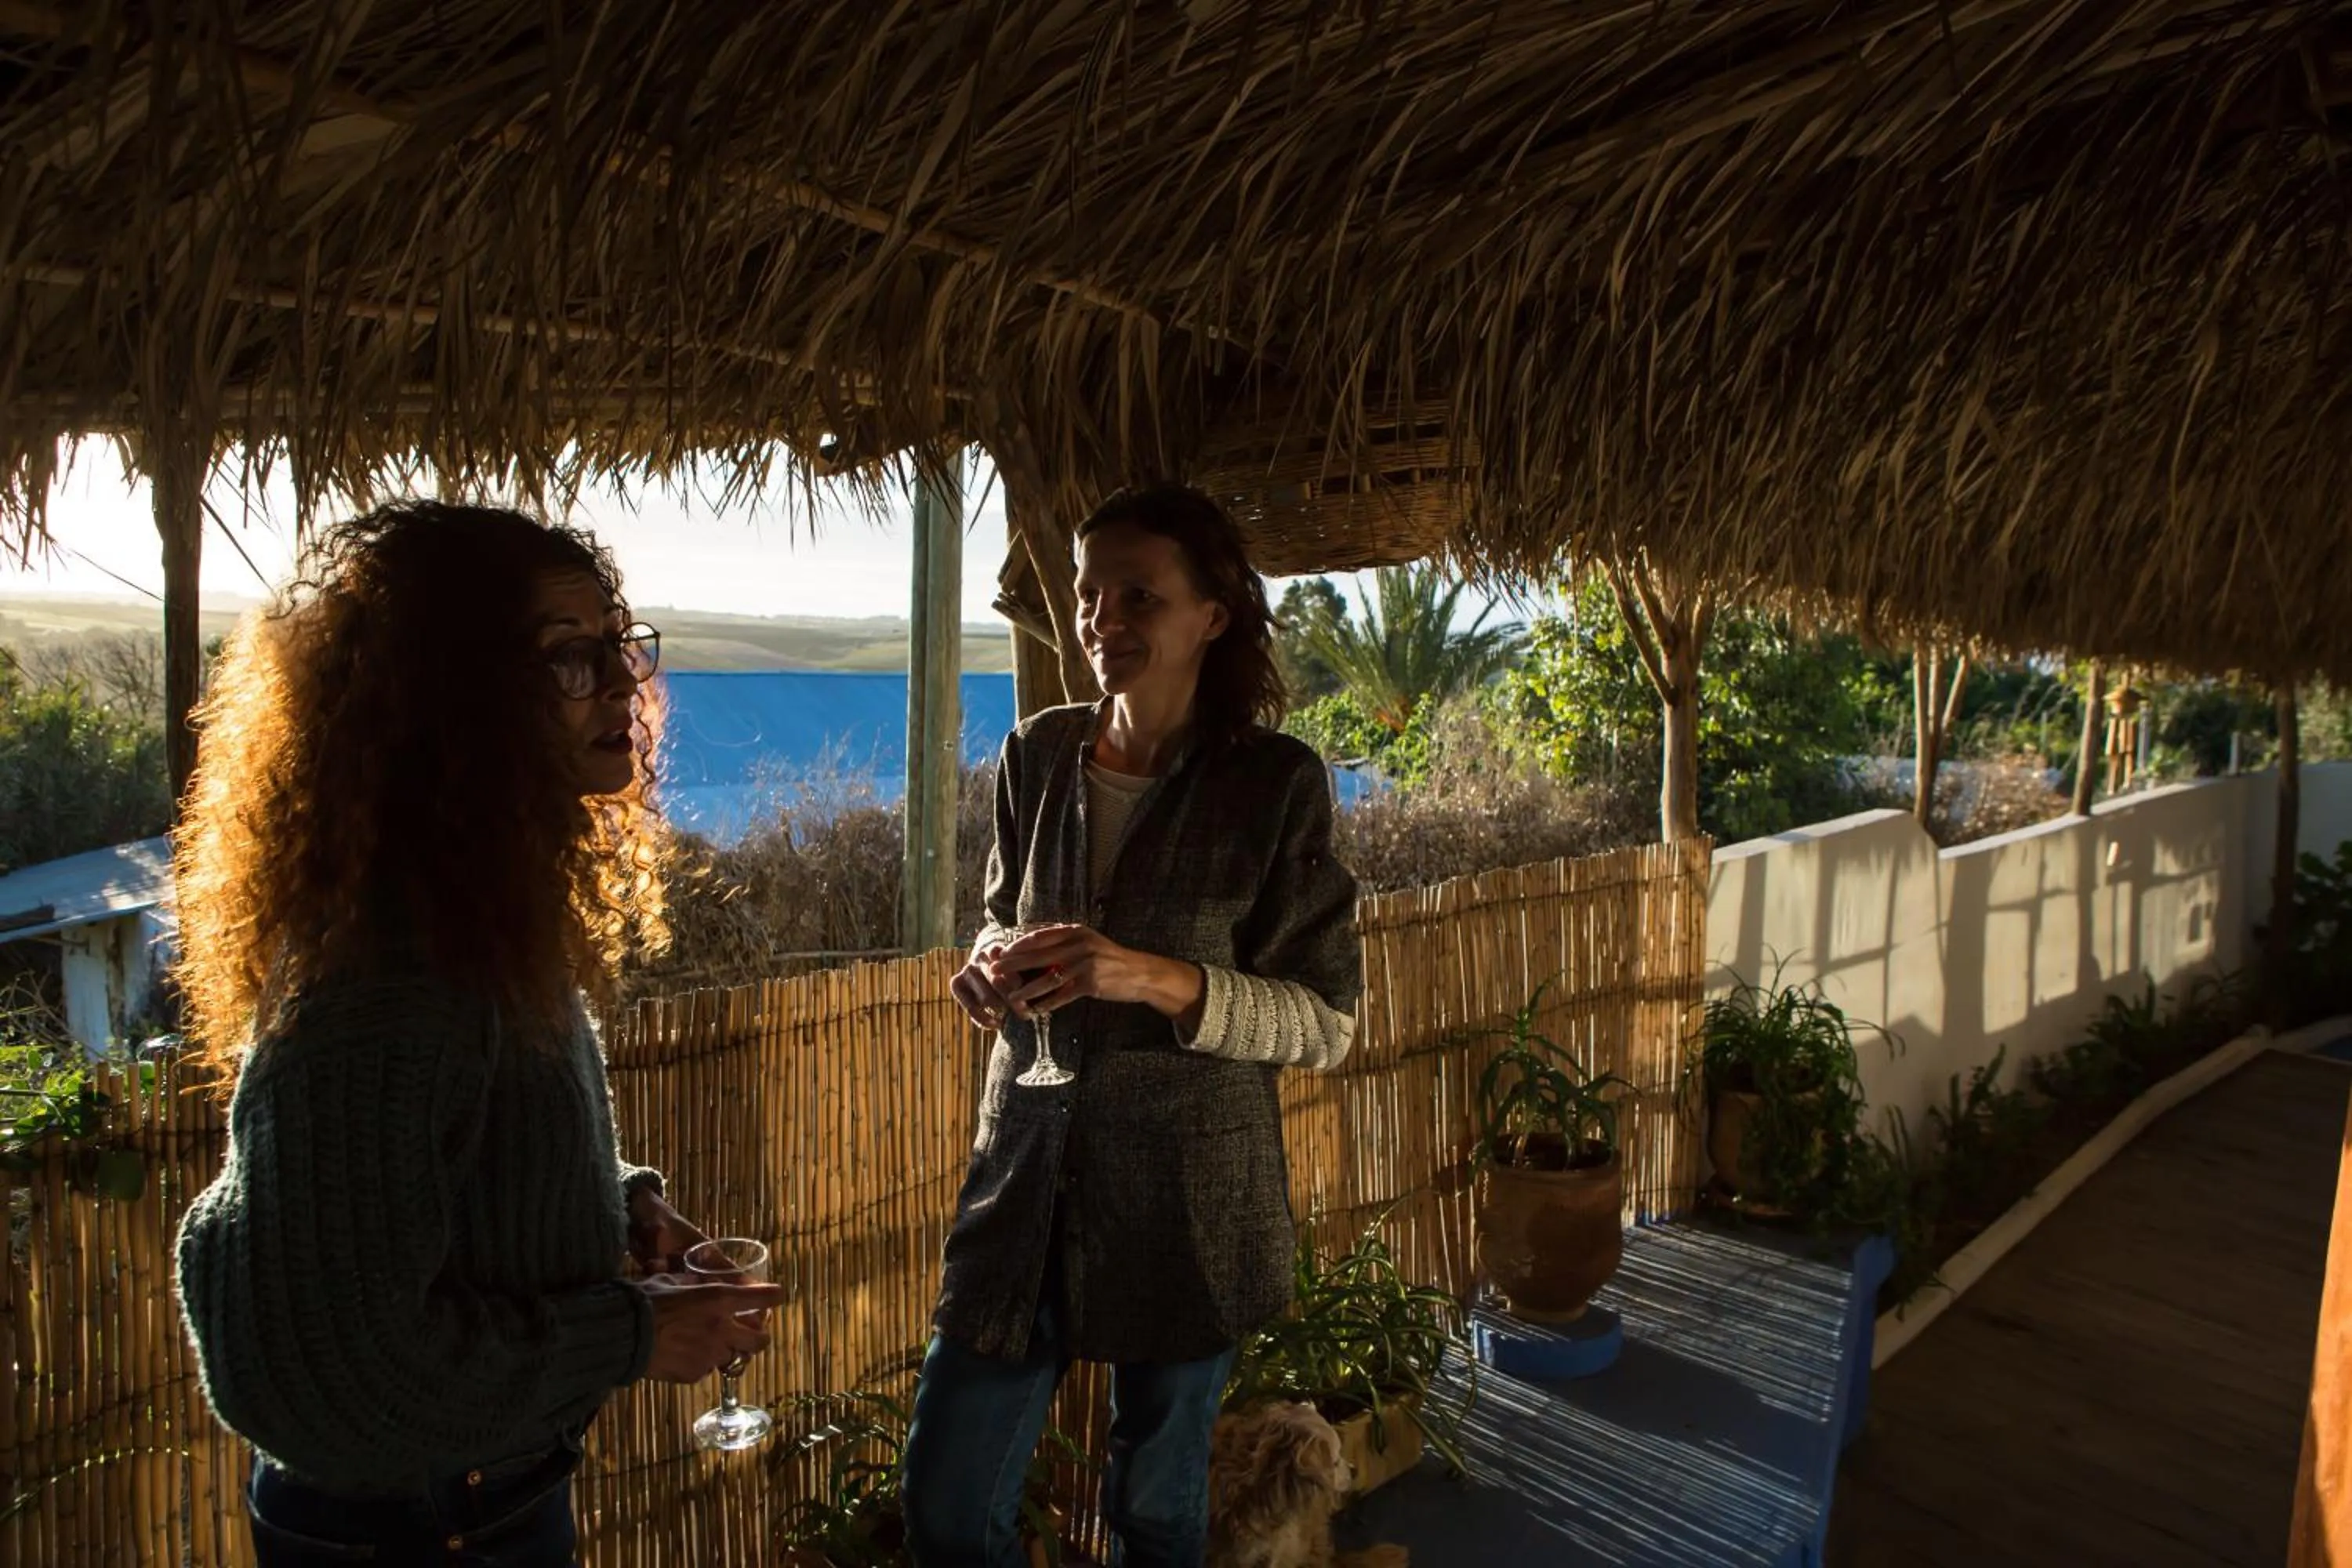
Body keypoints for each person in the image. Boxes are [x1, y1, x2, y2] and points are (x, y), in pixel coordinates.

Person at [172, 501, 783, 1567]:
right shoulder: (393, 972)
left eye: (617, 649)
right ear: (449, 698)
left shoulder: (478, 911)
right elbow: (330, 1375)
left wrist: (618, 1207)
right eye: (565, 658)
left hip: (471, 1497)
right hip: (415, 1526)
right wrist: (634, 1333)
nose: (618, 687)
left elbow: (447, 1165)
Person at [901, 482, 1363, 1568]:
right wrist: (983, 966)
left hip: (1187, 1200)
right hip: (1027, 1181)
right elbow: (1000, 917)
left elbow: (1327, 1023)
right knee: (948, 1506)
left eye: (1138, 597)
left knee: (1158, 1513)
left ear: (1214, 614)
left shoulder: (1272, 786)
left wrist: (1149, 977)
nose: (1103, 621)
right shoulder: (1036, 755)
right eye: (1088, 594)